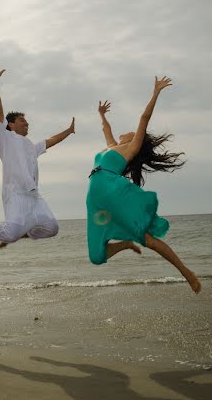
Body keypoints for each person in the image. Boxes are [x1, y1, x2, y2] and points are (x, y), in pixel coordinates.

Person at [86, 76, 201, 293]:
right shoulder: (111, 147)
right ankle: (126, 243)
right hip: (95, 199)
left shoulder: (131, 148)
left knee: (147, 239)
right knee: (96, 256)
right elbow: (106, 130)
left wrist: (156, 92)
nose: (127, 131)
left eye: (132, 132)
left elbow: (144, 118)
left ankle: (187, 273)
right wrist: (101, 115)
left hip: (113, 193)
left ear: (135, 139)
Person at [0, 60, 75, 246]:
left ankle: (16, 233)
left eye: (27, 121)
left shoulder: (30, 145)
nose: (27, 123)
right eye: (22, 120)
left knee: (52, 228)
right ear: (11, 124)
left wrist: (69, 131)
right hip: (15, 193)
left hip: (33, 196)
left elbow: (51, 141)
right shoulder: (5, 139)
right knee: (11, 233)